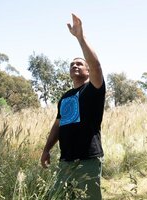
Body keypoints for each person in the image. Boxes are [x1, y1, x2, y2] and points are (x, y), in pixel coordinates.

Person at [40, 13, 105, 200]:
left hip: (88, 160)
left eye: (79, 64)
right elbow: (58, 124)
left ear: (87, 70)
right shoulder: (65, 97)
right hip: (65, 161)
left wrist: (80, 38)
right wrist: (47, 149)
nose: (75, 66)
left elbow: (97, 67)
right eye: (72, 64)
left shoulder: (93, 89)